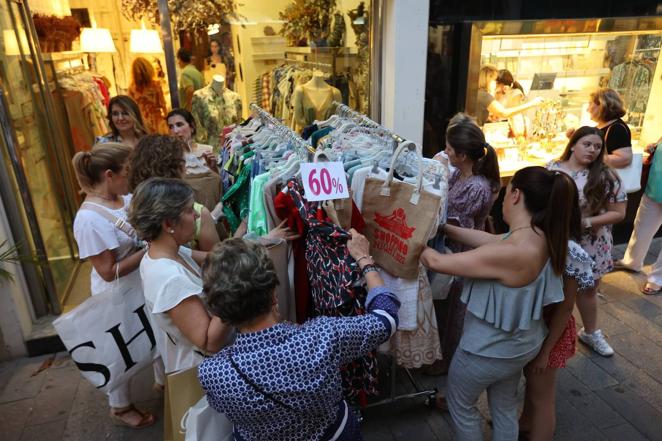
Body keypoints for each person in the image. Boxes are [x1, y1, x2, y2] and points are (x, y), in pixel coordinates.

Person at [420, 166, 577, 441]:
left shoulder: (514, 252)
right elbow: (492, 240)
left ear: (515, 195)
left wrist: (408, 234)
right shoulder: (543, 236)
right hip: (519, 348)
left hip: (486, 351)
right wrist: (446, 228)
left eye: (504, 193)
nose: (501, 198)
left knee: (461, 406)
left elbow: (436, 262)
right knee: (504, 407)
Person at [198, 233, 400, 441]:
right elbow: (386, 319)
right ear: (273, 293)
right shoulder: (321, 338)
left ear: (220, 313)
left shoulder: (213, 373)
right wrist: (364, 260)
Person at [71, 143, 157, 429]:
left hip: (140, 283)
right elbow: (108, 272)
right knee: (122, 350)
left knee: (154, 331)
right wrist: (149, 250)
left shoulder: (125, 198)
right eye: (126, 172)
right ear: (109, 175)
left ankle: (163, 380)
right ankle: (119, 406)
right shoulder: (88, 219)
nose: (130, 177)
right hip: (116, 293)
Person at [128, 177, 232, 375]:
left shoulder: (168, 252)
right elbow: (208, 342)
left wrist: (257, 242)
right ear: (168, 223)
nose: (196, 216)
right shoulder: (170, 279)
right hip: (204, 376)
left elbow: (215, 258)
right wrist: (233, 293)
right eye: (189, 210)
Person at [518, 192, 594, 441]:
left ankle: (539, 432)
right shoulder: (539, 241)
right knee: (533, 381)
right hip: (538, 326)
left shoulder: (570, 252)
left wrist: (546, 351)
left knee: (543, 396)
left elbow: (565, 308)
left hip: (553, 332)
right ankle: (525, 424)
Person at [430, 113, 500, 376]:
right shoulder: (457, 174)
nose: (445, 152)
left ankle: (446, 362)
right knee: (444, 305)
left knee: (454, 311)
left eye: (449, 149)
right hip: (450, 246)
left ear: (463, 155)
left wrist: (439, 225)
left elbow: (464, 228)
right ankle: (437, 357)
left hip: (462, 251)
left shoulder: (477, 187)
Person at [547, 126, 627, 356]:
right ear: (573, 144)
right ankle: (548, 333)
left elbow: (619, 213)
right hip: (557, 240)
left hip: (591, 243)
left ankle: (591, 333)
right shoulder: (553, 168)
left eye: (598, 147)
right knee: (554, 288)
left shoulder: (606, 175)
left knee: (588, 289)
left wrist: (587, 222)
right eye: (587, 144)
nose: (592, 150)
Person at [128, 134, 222, 250]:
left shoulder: (135, 205)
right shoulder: (195, 212)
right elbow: (216, 258)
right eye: (183, 163)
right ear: (174, 168)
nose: (186, 169)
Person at [614, 137, 662, 294]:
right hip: (654, 188)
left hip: (655, 188)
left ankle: (657, 278)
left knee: (643, 226)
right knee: (642, 226)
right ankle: (632, 262)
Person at [475, 64, 542, 126]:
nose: (495, 84)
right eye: (495, 80)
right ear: (488, 79)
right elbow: (504, 113)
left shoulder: (479, 93)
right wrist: (532, 103)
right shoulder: (484, 96)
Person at [588, 88, 632, 168]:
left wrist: (591, 157)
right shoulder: (601, 126)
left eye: (590, 104)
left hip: (608, 178)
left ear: (602, 105)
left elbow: (625, 159)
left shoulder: (617, 128)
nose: (588, 109)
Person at [128, 56, 169, 135]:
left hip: (148, 121)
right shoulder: (133, 88)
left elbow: (163, 104)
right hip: (148, 121)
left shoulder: (133, 88)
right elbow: (162, 104)